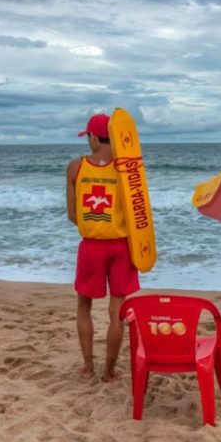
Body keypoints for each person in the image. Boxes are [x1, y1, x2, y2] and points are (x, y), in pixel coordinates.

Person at [66, 113, 140, 382]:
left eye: (87, 137)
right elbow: (139, 212)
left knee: (83, 306)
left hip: (92, 247)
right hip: (122, 247)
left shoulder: (75, 168)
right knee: (117, 310)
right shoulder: (128, 169)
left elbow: (72, 214)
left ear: (94, 137)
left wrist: (93, 224)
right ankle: (109, 372)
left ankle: (88, 367)